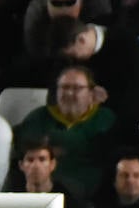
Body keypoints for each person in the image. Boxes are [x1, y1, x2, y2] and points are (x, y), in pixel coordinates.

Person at [14, 64, 124, 200]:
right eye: (64, 87)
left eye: (77, 88)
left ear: (91, 93)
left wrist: (57, 146)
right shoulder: (38, 117)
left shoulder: (106, 119)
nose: (69, 93)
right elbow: (27, 152)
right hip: (46, 191)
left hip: (94, 192)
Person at [4, 137, 86, 208]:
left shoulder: (67, 201)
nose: (36, 166)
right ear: (21, 165)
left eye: (42, 159)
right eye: (30, 160)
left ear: (52, 164)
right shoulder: (12, 200)